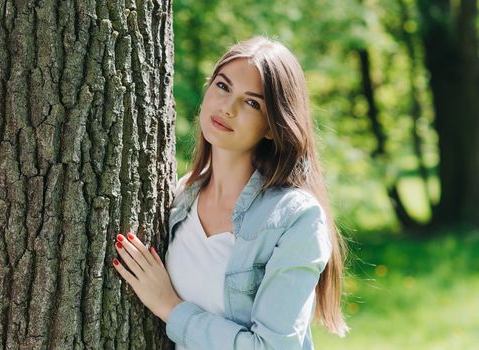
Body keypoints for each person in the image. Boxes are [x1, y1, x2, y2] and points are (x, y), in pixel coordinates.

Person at [112, 36, 348, 349]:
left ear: (271, 125)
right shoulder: (182, 196)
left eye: (252, 103)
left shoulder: (295, 218)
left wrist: (170, 307)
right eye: (223, 86)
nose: (228, 108)